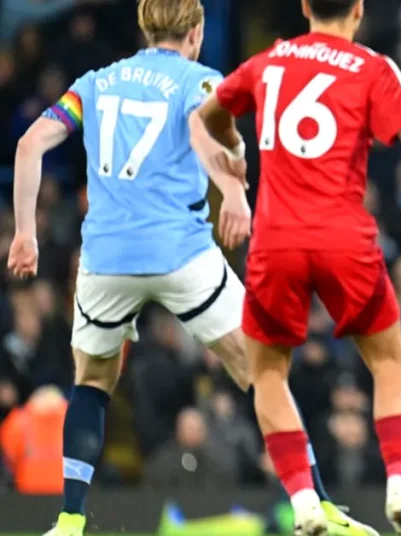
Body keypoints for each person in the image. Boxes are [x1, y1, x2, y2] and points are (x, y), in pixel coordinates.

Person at [195, 0, 401, 535]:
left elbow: (209, 116)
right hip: (345, 239)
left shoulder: (266, 63)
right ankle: (400, 491)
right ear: (359, 10)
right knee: (389, 365)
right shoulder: (371, 67)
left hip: (276, 242)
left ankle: (303, 503)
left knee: (269, 374)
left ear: (303, 6)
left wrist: (232, 160)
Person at [5, 1, 280, 534]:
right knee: (265, 370)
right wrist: (233, 190)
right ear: (196, 33)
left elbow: (28, 144)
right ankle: (315, 503)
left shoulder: (94, 83)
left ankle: (68, 519)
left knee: (91, 384)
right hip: (180, 253)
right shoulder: (200, 79)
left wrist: (24, 233)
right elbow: (208, 136)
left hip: (106, 260)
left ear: (143, 28)